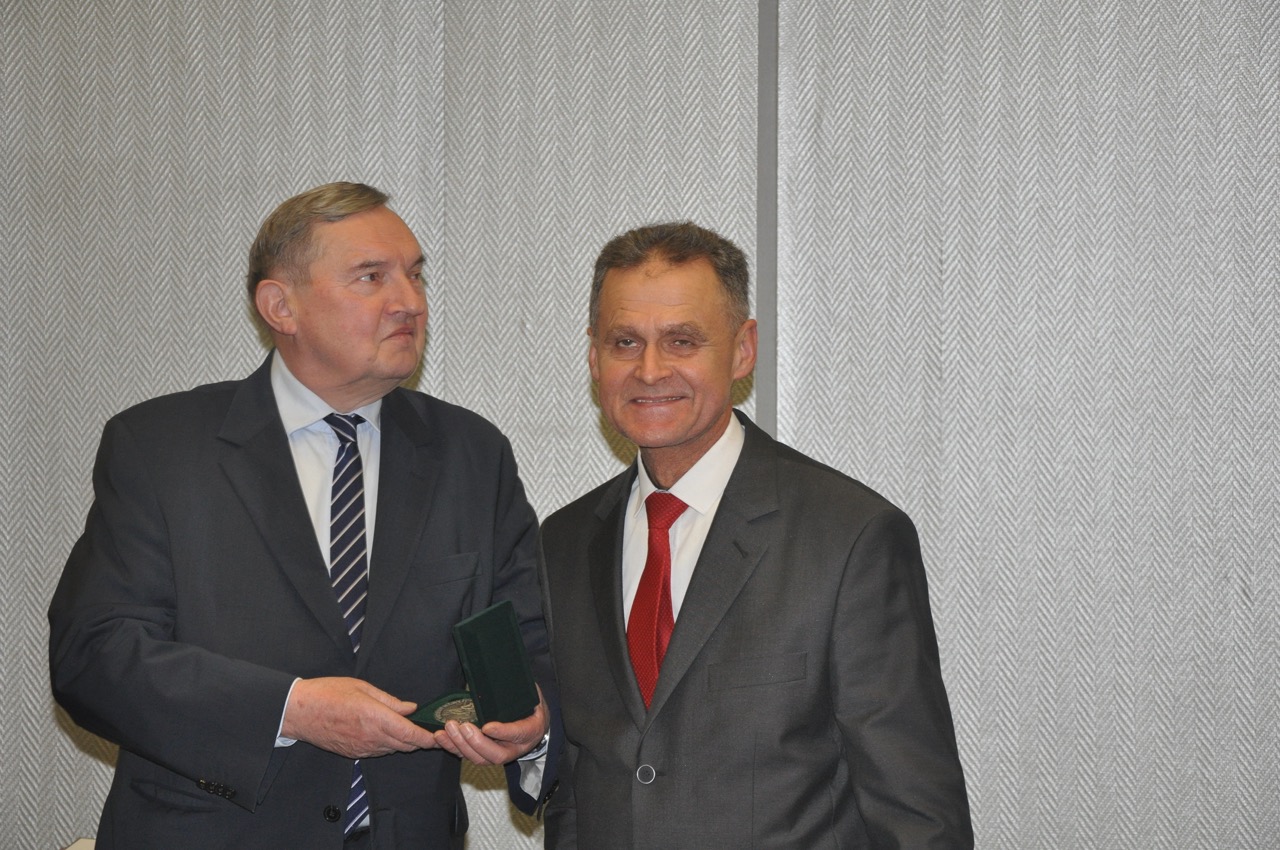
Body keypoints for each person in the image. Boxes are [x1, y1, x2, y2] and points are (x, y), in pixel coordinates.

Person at [49, 182, 558, 849]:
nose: (409, 301)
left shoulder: (472, 454)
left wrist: (533, 723)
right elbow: (96, 656)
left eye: (414, 275)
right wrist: (291, 710)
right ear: (280, 306)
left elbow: (531, 643)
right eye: (371, 277)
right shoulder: (161, 448)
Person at [537, 221, 973, 848]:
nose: (650, 370)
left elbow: (917, 817)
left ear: (743, 350)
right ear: (593, 357)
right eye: (625, 342)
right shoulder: (564, 543)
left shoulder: (850, 538)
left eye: (682, 341)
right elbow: (581, 788)